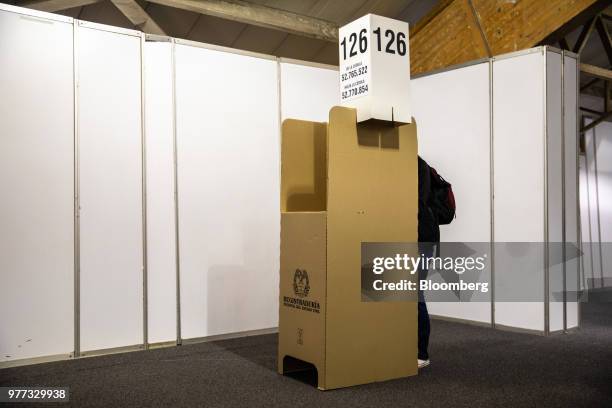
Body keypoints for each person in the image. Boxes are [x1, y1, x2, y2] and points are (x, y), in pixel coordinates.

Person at [417, 156, 440, 369]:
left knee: (415, 295)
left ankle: (421, 353)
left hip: (420, 239)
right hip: (418, 237)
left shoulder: (416, 165)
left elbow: (415, 203)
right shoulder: (415, 163)